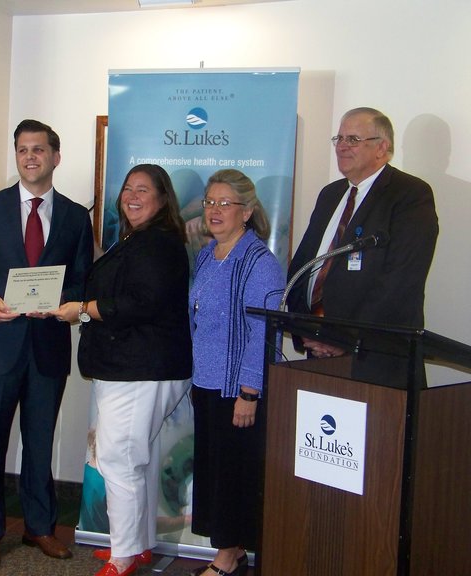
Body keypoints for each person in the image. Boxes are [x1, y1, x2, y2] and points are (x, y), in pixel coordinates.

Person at [0, 119, 93, 570]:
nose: (30, 156)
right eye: (22, 149)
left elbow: (82, 280)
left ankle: (40, 526)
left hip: (47, 348)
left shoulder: (74, 216)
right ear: (16, 156)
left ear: (55, 156)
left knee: (39, 441)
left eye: (38, 149)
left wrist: (59, 303)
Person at [55, 163, 192, 576]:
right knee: (138, 458)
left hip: (140, 368)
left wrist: (82, 310)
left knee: (118, 461)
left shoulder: (158, 244)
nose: (132, 196)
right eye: (127, 188)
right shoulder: (137, 239)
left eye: (143, 190)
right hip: (135, 365)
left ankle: (123, 557)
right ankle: (139, 544)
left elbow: (139, 303)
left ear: (163, 198)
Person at [185, 169, 284, 576]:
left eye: (225, 203)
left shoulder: (260, 262)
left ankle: (226, 560)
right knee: (214, 471)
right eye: (209, 202)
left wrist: (249, 392)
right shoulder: (209, 254)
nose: (214, 210)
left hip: (237, 390)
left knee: (233, 476)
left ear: (247, 211)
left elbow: (264, 332)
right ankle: (234, 549)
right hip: (205, 383)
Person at [287, 107, 438, 360]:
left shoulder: (409, 195)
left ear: (382, 148)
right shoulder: (330, 194)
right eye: (339, 138)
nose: (342, 146)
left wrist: (348, 338)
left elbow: (400, 283)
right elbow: (303, 265)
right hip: (319, 350)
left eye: (353, 139)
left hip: (375, 356)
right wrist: (306, 329)